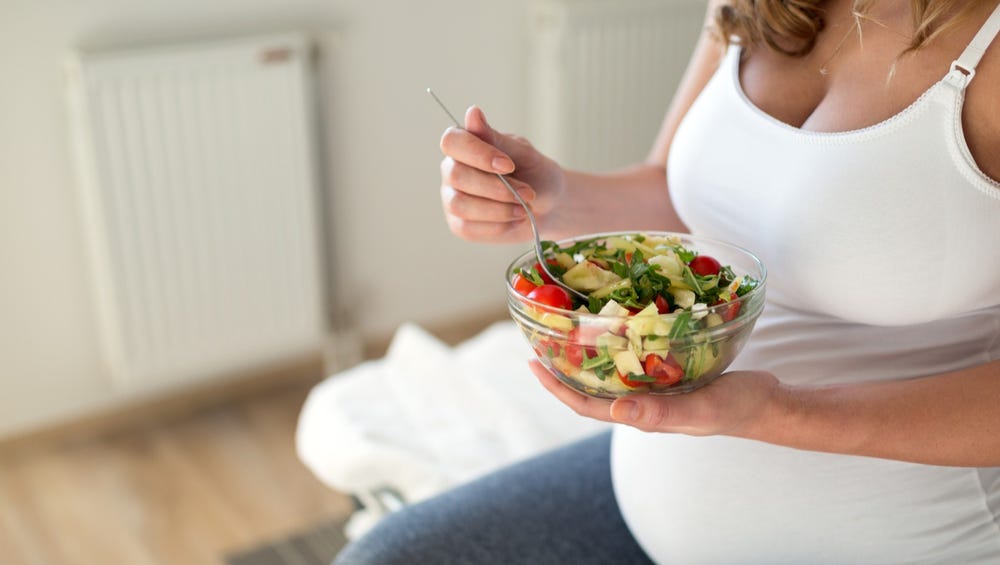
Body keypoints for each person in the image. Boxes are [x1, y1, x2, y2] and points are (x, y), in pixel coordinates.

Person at [335, 0, 1000, 562]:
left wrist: (777, 411)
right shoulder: (757, 5)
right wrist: (553, 197)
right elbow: (689, 201)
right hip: (661, 501)